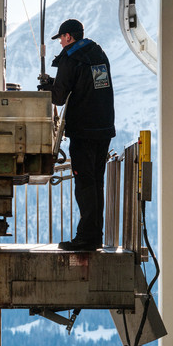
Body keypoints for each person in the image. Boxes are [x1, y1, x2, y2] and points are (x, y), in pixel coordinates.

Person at [38, 19, 116, 251]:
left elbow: (59, 97)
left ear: (69, 37)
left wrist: (46, 89)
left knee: (84, 184)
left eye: (61, 38)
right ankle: (94, 234)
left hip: (83, 129)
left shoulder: (70, 57)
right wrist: (57, 82)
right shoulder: (97, 53)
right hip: (103, 128)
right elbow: (88, 85)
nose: (60, 42)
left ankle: (85, 238)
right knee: (96, 183)